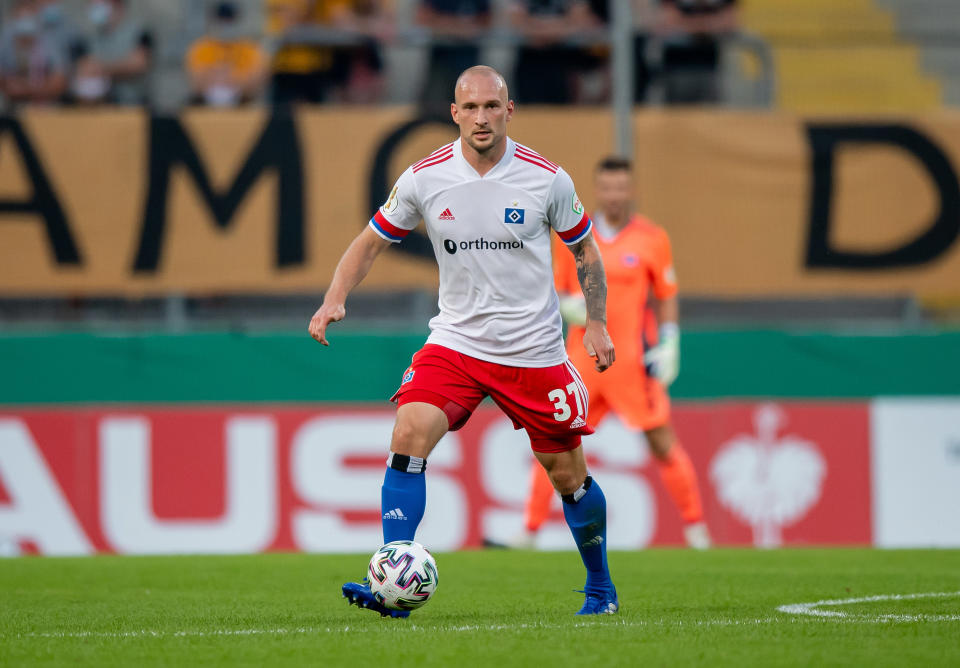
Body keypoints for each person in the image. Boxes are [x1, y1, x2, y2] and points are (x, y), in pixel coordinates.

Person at [309, 65, 619, 617]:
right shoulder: (425, 178)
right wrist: (335, 296)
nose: (481, 118)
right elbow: (371, 241)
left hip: (533, 351)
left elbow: (586, 251)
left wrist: (594, 321)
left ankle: (600, 586)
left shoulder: (546, 178)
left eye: (491, 107)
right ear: (453, 113)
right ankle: (393, 585)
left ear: (509, 110)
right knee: (408, 432)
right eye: (470, 108)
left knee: (567, 476)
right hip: (458, 343)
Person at [514, 156, 711, 550]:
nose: (615, 195)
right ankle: (529, 533)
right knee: (555, 441)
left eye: (622, 187)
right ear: (597, 190)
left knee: (661, 441)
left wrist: (670, 342)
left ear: (632, 190)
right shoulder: (573, 238)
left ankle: (696, 530)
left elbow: (666, 295)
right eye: (608, 187)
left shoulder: (652, 238)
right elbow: (554, 288)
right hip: (581, 364)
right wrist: (569, 306)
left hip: (632, 366)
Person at [186, 1, 268, 106]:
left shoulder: (250, 49)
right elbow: (196, 83)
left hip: (242, 102)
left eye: (229, 21)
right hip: (206, 102)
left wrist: (230, 78)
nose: (225, 25)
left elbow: (256, 83)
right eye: (222, 20)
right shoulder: (201, 47)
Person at [71, 0, 153, 105]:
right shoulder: (90, 37)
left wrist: (101, 69)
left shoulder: (140, 32)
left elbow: (139, 64)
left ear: (117, 4)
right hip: (100, 105)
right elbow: (83, 67)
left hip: (133, 105)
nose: (93, 6)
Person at [0, 0, 68, 107]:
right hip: (8, 104)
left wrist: (28, 89)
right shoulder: (4, 40)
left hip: (45, 102)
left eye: (29, 17)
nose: (25, 21)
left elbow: (59, 81)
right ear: (12, 18)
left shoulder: (50, 40)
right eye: (21, 17)